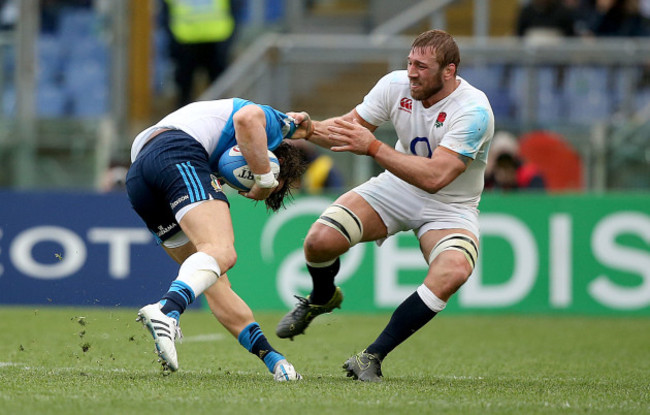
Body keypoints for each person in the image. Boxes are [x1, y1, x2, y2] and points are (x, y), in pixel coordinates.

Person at [276, 29, 495, 382]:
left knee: (453, 271)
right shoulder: (395, 86)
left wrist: (375, 147)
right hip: (398, 187)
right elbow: (350, 129)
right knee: (319, 242)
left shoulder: (473, 110)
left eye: (422, 67)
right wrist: (308, 130)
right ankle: (322, 296)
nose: (411, 72)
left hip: (451, 205)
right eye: (410, 63)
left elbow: (436, 177)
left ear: (449, 71)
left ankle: (371, 356)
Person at [125, 98, 311, 380]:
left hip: (140, 175)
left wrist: (273, 359)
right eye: (275, 182)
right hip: (175, 152)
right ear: (277, 160)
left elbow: (216, 290)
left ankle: (274, 360)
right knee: (223, 251)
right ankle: (167, 309)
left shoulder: (215, 155)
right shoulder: (272, 128)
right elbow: (248, 118)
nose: (251, 188)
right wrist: (264, 179)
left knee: (211, 277)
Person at [160, 0, 242, 108]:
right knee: (184, 91)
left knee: (219, 92)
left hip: (216, 39)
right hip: (185, 40)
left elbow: (236, 8)